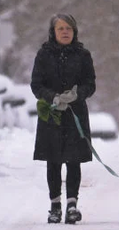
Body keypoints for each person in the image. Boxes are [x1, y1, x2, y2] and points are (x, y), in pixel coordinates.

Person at [30, 13, 96, 224]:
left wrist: (77, 95)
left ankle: (72, 205)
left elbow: (90, 84)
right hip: (51, 114)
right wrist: (53, 97)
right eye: (61, 28)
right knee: (53, 161)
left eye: (68, 28)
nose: (65, 32)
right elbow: (36, 85)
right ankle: (55, 206)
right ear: (53, 32)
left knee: (74, 160)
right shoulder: (43, 54)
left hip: (75, 114)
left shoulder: (83, 55)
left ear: (74, 31)